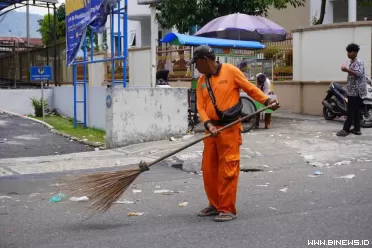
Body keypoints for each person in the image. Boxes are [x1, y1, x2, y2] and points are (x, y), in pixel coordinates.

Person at [188, 45, 279, 222]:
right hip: (211, 132)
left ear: (205, 60)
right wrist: (208, 124)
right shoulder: (201, 82)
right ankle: (214, 204)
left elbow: (250, 89)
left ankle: (227, 208)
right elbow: (200, 106)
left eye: (196, 63)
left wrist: (267, 101)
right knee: (209, 170)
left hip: (229, 129)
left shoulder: (231, 71)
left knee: (228, 169)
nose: (196, 67)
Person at [337, 43, 366, 137]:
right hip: (353, 90)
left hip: (356, 91)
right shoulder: (352, 62)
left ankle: (345, 130)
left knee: (351, 111)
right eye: (347, 52)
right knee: (357, 110)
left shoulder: (359, 62)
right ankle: (357, 129)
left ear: (355, 52)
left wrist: (347, 70)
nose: (348, 54)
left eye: (350, 52)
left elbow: (358, 74)